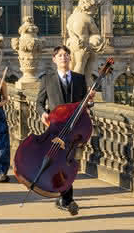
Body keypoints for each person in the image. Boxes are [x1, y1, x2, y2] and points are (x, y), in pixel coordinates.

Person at [35, 45, 94, 216]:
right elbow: (39, 103)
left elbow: (84, 104)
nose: (64, 57)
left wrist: (90, 101)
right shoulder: (47, 79)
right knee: (59, 162)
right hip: (55, 128)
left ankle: (64, 199)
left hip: (74, 129)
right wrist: (43, 114)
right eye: (60, 55)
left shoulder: (79, 78)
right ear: (54, 59)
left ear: (70, 58)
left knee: (69, 162)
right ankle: (66, 199)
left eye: (66, 55)